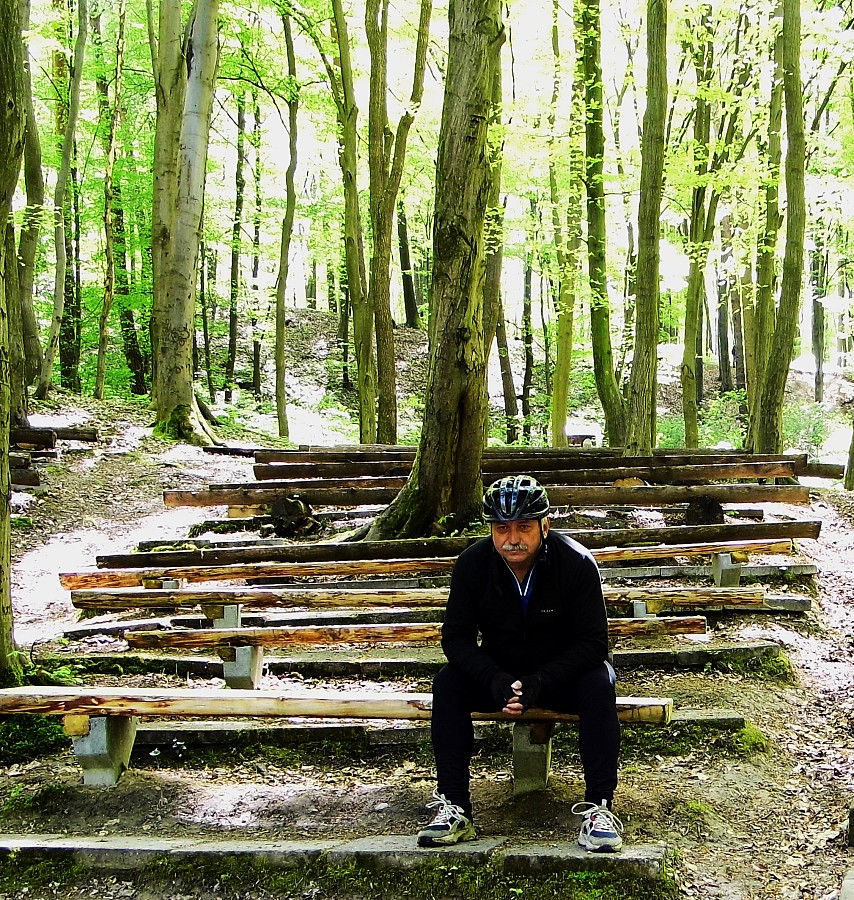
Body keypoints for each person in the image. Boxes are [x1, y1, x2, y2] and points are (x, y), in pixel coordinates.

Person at [416, 474, 623, 852]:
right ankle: (455, 807)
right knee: (448, 683)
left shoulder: (576, 563)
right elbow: (456, 638)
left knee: (599, 681)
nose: (512, 538)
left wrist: (540, 682)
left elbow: (593, 644)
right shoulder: (472, 564)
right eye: (501, 528)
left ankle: (599, 807)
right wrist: (493, 678)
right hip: (499, 675)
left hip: (562, 676)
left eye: (524, 527)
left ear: (545, 526)